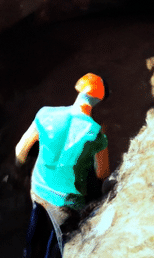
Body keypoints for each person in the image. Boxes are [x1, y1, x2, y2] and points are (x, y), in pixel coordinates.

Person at [15, 73, 110, 258]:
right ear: (99, 100)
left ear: (79, 91)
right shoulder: (96, 133)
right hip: (66, 202)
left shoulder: (45, 113)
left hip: (38, 188)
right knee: (58, 246)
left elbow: (21, 151)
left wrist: (21, 168)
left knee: (34, 238)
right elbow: (102, 173)